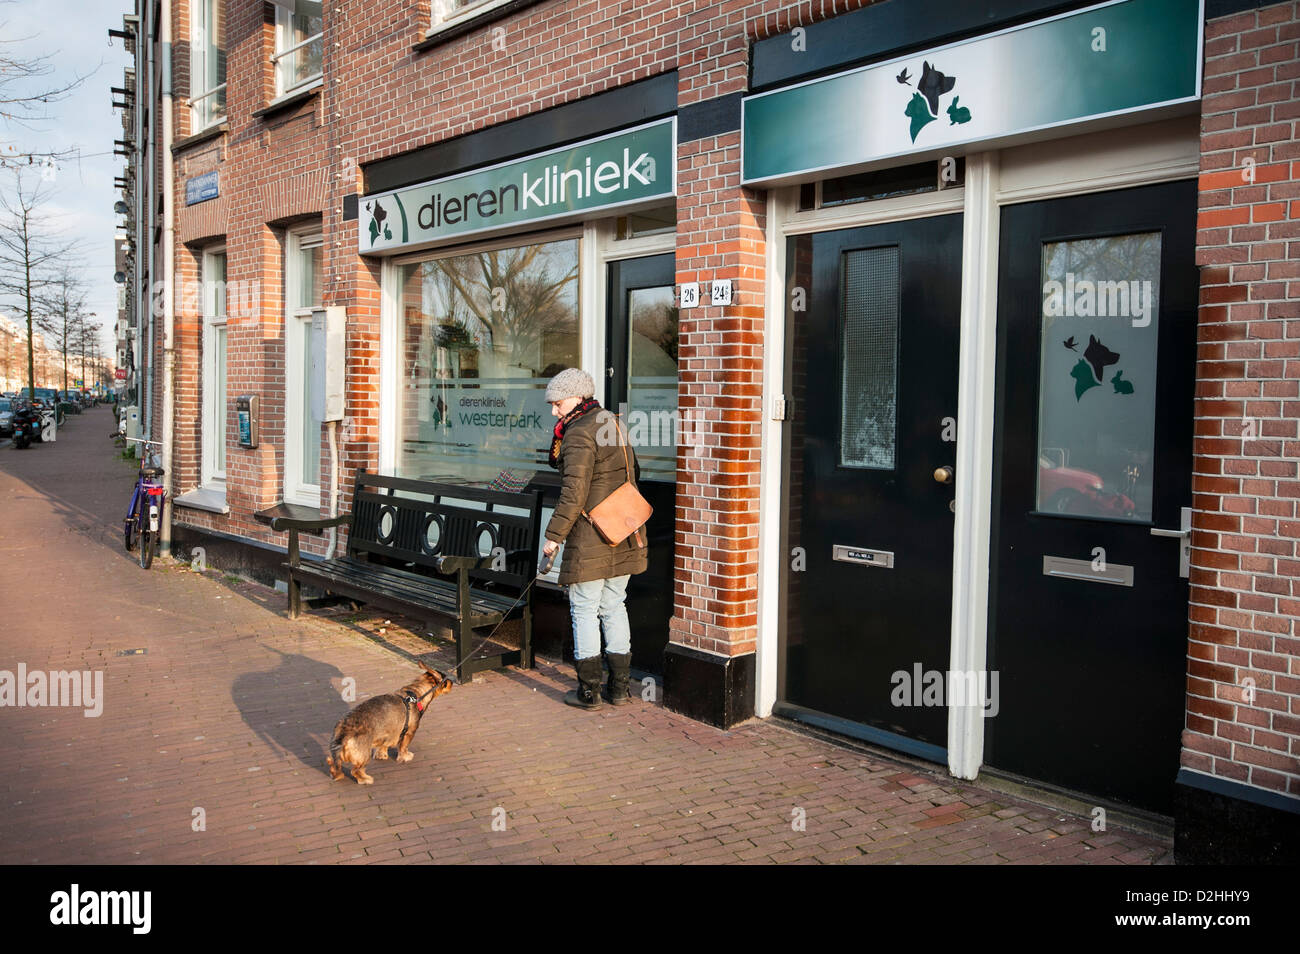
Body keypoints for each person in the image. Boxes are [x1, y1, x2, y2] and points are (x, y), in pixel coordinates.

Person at [541, 367, 648, 709]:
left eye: (557, 403)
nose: (554, 411)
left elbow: (573, 492)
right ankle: (620, 689)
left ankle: (589, 692)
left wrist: (554, 536)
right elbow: (636, 472)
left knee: (584, 609)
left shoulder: (578, 432)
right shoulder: (611, 422)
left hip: (590, 535)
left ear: (576, 397)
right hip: (625, 529)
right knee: (615, 606)